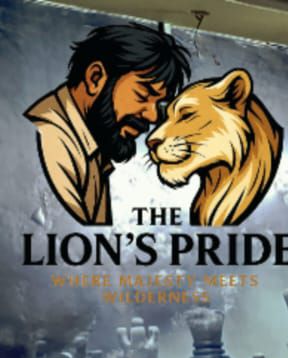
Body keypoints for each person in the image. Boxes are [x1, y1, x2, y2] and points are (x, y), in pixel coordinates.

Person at [27, 23, 191, 226]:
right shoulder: (53, 138)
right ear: (95, 78)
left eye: (158, 104)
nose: (151, 116)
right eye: (143, 95)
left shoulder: (91, 150)